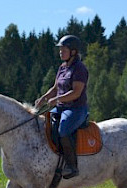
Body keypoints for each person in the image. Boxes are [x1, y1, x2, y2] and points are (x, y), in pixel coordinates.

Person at [35, 35, 89, 179]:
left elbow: (76, 93)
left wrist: (57, 99)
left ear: (73, 52)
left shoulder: (80, 69)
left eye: (63, 49)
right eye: (60, 49)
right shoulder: (62, 67)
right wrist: (44, 98)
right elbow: (55, 87)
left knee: (63, 129)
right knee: (42, 125)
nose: (60, 52)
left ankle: (72, 166)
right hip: (60, 107)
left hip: (76, 109)